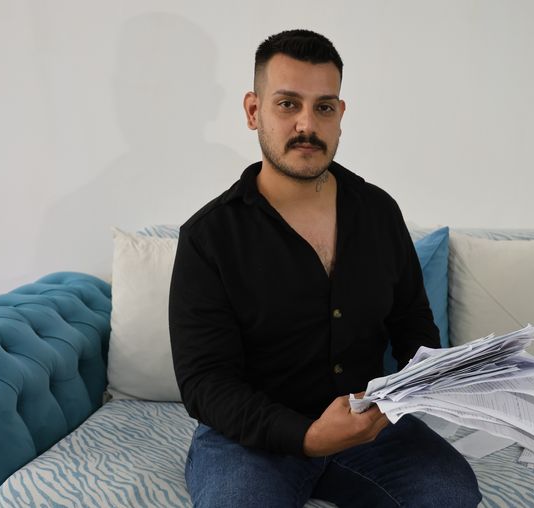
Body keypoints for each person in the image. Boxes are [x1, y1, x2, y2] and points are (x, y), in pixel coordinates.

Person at [169, 29, 481, 508]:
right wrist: (308, 436)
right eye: (287, 104)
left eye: (324, 107)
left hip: (367, 428)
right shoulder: (208, 237)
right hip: (251, 439)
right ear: (253, 111)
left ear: (340, 115)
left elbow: (413, 325)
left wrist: (426, 383)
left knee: (452, 495)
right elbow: (205, 383)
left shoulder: (379, 212)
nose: (307, 125)